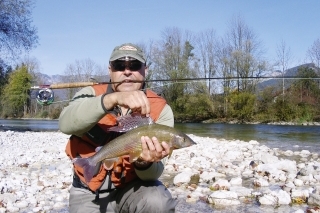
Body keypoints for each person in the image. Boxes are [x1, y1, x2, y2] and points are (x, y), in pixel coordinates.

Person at [59, 43, 178, 213]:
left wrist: (144, 162)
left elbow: (153, 175)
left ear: (146, 70)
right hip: (88, 192)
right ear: (110, 70)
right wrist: (111, 99)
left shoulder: (161, 110)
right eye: (119, 65)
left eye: (135, 66)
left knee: (159, 203)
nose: (127, 71)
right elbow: (65, 124)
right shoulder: (90, 94)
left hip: (133, 189)